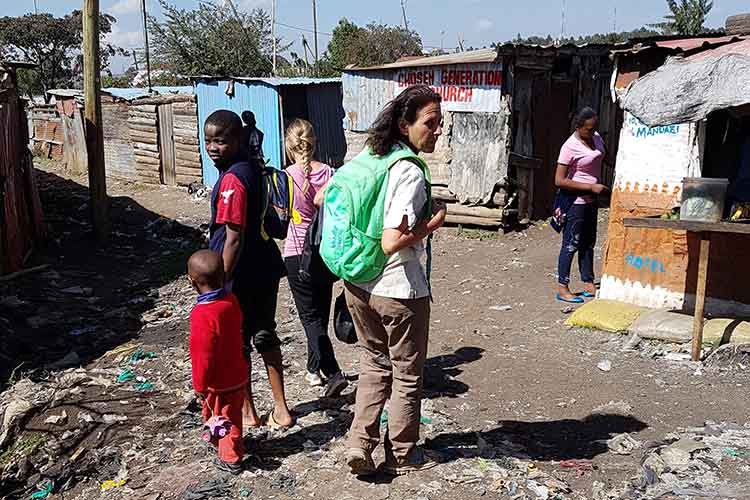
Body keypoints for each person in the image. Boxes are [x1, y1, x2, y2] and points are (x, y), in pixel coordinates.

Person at [343, 85, 447, 477]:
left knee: (373, 365)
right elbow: (392, 240)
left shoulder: (371, 157)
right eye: (430, 123)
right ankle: (402, 452)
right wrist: (429, 224)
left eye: (439, 124)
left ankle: (359, 443)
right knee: (406, 373)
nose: (437, 131)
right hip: (398, 290)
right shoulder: (407, 170)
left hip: (357, 283)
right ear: (405, 125)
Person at [204, 110, 295, 430]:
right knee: (265, 334)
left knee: (240, 342)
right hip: (264, 266)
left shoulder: (232, 181)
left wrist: (221, 284)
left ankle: (248, 412)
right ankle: (281, 409)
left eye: (221, 141)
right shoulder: (252, 169)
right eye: (208, 141)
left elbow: (233, 238)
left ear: (239, 139)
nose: (213, 148)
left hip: (240, 273)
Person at [282, 118, 348, 398]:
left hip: (296, 253)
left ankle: (332, 372)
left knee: (310, 318)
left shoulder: (284, 176)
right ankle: (313, 370)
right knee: (318, 315)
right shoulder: (332, 174)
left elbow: (279, 215)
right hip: (325, 251)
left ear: (289, 145)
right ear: (314, 141)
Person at [187, 249, 247, 475]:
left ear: (191, 281)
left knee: (223, 418)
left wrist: (200, 385)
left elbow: (202, 354)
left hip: (218, 381)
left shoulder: (202, 315)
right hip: (238, 371)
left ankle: (231, 458)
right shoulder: (230, 300)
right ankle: (233, 447)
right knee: (232, 414)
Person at [554, 107, 608, 304]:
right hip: (575, 202)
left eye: (594, 128)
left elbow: (605, 157)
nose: (592, 132)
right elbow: (559, 180)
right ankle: (563, 287)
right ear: (578, 127)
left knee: (588, 243)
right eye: (588, 129)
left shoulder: (597, 138)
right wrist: (590, 186)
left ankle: (588, 282)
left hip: (591, 201)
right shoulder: (569, 147)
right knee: (571, 244)